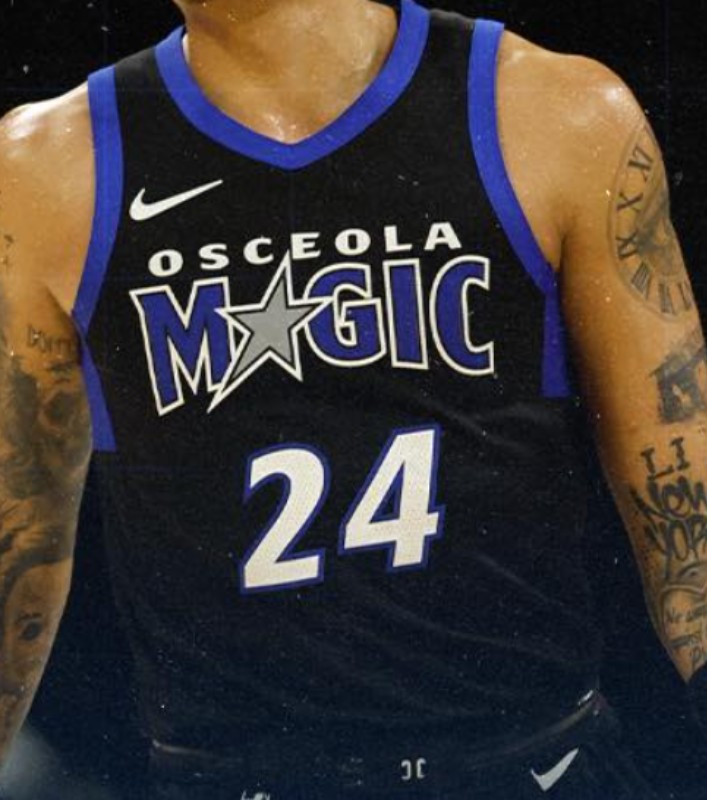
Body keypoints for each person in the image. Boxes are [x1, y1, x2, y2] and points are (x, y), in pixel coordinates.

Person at [0, 0, 704, 797]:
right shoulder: (45, 165)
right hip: (233, 776)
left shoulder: (554, 111)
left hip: (534, 761)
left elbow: (684, 495)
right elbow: (18, 541)